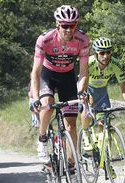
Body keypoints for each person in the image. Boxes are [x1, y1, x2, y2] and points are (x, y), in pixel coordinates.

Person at [30, 5, 90, 163]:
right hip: (48, 76)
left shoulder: (82, 40)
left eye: (73, 25)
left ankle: (71, 165)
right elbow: (35, 72)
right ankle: (42, 139)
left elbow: (84, 72)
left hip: (68, 78)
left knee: (71, 125)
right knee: (47, 105)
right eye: (65, 26)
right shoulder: (45, 39)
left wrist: (81, 91)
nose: (69, 30)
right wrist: (35, 97)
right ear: (58, 24)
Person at [81, 37, 125, 150]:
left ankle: (104, 154)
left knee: (104, 122)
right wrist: (86, 99)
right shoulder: (89, 62)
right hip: (87, 88)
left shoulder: (116, 64)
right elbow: (83, 81)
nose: (106, 56)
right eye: (102, 53)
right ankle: (85, 133)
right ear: (96, 53)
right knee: (86, 110)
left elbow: (124, 87)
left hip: (102, 91)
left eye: (108, 52)